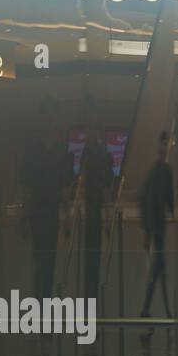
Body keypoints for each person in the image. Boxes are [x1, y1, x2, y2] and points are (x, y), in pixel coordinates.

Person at [20, 102, 70, 300]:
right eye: (45, 116)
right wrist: (23, 215)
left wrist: (66, 214)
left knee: (48, 260)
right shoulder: (33, 149)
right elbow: (27, 187)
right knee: (40, 259)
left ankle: (43, 302)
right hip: (37, 212)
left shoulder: (60, 150)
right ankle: (40, 301)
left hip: (50, 212)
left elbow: (65, 185)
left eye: (50, 116)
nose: (48, 120)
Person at [138, 131, 176, 333]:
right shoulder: (161, 172)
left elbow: (148, 200)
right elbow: (162, 199)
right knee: (158, 269)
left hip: (156, 225)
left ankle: (154, 308)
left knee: (159, 269)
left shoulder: (157, 172)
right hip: (157, 226)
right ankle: (157, 309)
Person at [79, 124, 112, 301]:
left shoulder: (102, 156)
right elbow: (83, 181)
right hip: (92, 209)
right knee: (91, 257)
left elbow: (105, 187)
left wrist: (107, 216)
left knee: (92, 257)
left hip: (95, 210)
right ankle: (90, 299)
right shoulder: (90, 154)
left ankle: (90, 299)